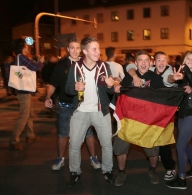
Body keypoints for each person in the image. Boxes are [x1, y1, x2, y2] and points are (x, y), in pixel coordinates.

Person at [44, 37, 101, 171]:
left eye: (77, 47)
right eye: (72, 48)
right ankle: (60, 158)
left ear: (81, 49)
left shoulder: (87, 63)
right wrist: (48, 96)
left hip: (83, 106)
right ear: (68, 49)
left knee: (88, 133)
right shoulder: (61, 66)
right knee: (63, 133)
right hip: (65, 105)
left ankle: (93, 157)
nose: (75, 50)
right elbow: (53, 84)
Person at [126, 51, 184, 181]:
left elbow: (168, 80)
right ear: (154, 62)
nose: (162, 62)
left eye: (164, 60)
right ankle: (156, 157)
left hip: (165, 114)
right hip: (151, 114)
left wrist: (174, 79)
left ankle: (170, 167)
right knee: (151, 137)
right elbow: (129, 67)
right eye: (159, 60)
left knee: (164, 142)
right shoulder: (150, 69)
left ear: (167, 62)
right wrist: (135, 76)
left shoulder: (169, 72)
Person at [65, 37, 115, 187]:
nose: (98, 52)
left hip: (100, 111)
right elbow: (67, 89)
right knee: (74, 144)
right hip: (80, 111)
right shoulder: (75, 67)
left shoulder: (104, 67)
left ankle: (108, 171)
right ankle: (75, 173)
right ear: (85, 51)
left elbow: (110, 91)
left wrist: (110, 86)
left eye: (99, 49)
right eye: (94, 49)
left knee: (107, 144)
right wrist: (75, 87)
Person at [113, 50, 166, 187]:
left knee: (153, 148)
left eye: (146, 60)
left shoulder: (156, 79)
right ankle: (121, 172)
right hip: (129, 120)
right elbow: (120, 94)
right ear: (135, 63)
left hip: (148, 121)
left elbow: (163, 98)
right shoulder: (128, 77)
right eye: (140, 60)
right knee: (120, 147)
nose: (143, 63)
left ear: (150, 63)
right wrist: (118, 88)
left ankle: (152, 170)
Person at [166, 51, 192, 189]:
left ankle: (181, 178)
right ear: (184, 60)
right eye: (188, 59)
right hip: (182, 114)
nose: (191, 61)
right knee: (185, 144)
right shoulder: (182, 74)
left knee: (180, 145)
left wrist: (187, 73)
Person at [9, 38, 45, 150]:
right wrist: (41, 61)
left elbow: (30, 66)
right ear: (23, 46)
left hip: (25, 90)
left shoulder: (21, 57)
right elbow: (36, 67)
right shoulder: (22, 57)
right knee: (24, 115)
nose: (27, 46)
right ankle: (14, 141)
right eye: (26, 45)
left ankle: (30, 136)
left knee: (30, 113)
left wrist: (35, 60)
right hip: (23, 90)